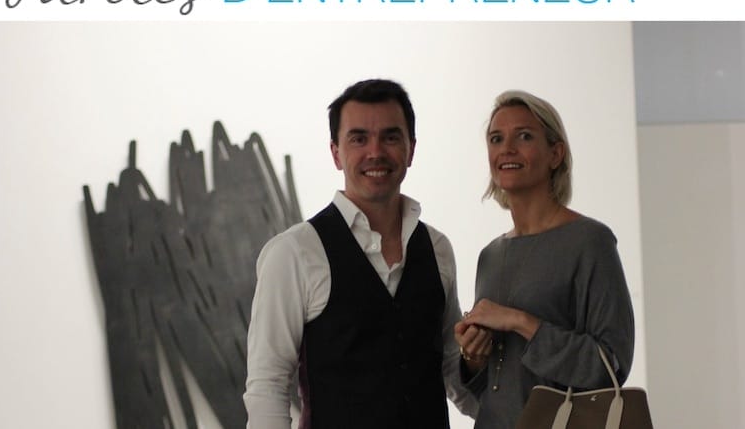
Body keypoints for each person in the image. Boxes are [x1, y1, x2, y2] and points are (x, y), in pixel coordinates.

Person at [244, 79, 477, 429]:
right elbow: (268, 386)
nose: (375, 152)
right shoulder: (293, 253)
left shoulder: (438, 248)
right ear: (336, 153)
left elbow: (450, 367)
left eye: (390, 137)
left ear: (411, 149)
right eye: (358, 139)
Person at [455, 90, 635, 429]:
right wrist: (473, 357)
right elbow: (496, 386)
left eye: (524, 136)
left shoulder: (590, 241)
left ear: (556, 153)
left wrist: (520, 321)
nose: (507, 149)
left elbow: (611, 364)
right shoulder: (489, 256)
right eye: (496, 138)